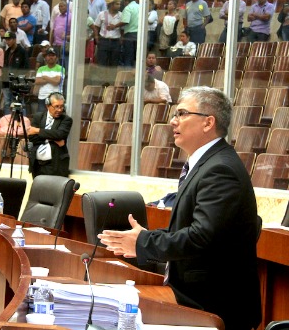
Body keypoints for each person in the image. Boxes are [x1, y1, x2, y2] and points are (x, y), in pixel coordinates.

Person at [98, 86, 262, 330]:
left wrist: (144, 243)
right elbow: (194, 230)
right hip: (197, 299)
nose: (173, 121)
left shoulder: (220, 170)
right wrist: (144, 239)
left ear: (208, 122)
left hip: (214, 306)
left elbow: (201, 238)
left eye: (182, 113)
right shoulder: (207, 164)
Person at [27, 92, 72, 178]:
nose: (59, 110)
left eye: (62, 106)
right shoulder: (38, 117)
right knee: (39, 190)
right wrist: (52, 137)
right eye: (56, 106)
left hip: (56, 165)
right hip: (38, 165)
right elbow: (32, 137)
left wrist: (38, 130)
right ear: (48, 106)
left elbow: (60, 135)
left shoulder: (66, 119)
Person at [1, 31, 27, 115]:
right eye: (6, 40)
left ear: (15, 39)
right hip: (6, 81)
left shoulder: (22, 51)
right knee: (7, 103)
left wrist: (22, 81)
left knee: (19, 103)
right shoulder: (7, 52)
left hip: (17, 81)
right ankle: (7, 123)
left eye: (9, 39)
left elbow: (26, 68)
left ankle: (22, 122)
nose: (7, 42)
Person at [94, 0, 122, 67]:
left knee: (114, 64)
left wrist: (121, 40)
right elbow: (96, 27)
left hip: (115, 42)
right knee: (101, 63)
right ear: (111, 5)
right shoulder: (102, 14)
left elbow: (123, 29)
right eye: (117, 4)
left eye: (119, 4)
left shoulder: (121, 15)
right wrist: (97, 38)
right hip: (104, 41)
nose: (119, 6)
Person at [34, 47, 65, 112]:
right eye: (49, 55)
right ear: (45, 57)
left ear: (56, 58)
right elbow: (37, 81)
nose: (51, 57)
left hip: (56, 98)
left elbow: (57, 81)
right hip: (42, 97)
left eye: (53, 55)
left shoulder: (61, 68)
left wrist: (45, 77)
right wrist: (52, 79)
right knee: (41, 119)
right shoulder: (41, 69)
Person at [50, 0, 71, 70]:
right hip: (56, 44)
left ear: (67, 7)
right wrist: (51, 43)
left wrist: (67, 37)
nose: (60, 8)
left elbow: (73, 32)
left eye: (62, 6)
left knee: (64, 64)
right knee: (56, 64)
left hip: (65, 45)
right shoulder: (57, 17)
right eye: (59, 6)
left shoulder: (71, 17)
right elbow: (53, 30)